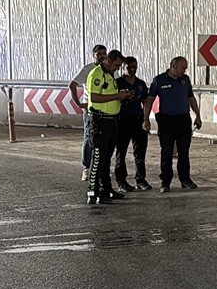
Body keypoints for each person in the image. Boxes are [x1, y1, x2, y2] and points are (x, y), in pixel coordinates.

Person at [142, 56, 202, 193]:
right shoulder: (159, 80)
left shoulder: (185, 80)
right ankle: (165, 181)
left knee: (184, 151)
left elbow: (191, 98)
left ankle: (185, 179)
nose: (184, 71)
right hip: (166, 121)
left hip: (183, 119)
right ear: (173, 67)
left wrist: (197, 116)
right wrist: (146, 119)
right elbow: (149, 100)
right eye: (183, 68)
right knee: (167, 151)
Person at [85, 50, 132, 204]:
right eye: (117, 65)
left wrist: (122, 94)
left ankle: (106, 190)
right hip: (100, 121)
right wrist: (118, 96)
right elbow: (94, 97)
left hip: (112, 121)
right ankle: (92, 192)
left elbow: (109, 94)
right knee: (98, 158)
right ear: (108, 61)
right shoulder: (96, 73)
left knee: (106, 159)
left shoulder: (111, 75)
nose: (117, 69)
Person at [69, 45, 107, 181]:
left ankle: (101, 167)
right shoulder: (88, 69)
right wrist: (79, 103)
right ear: (93, 55)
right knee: (89, 138)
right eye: (99, 54)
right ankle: (86, 168)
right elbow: (72, 85)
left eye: (104, 53)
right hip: (91, 110)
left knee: (104, 140)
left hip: (106, 110)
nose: (102, 56)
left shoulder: (110, 70)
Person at [114, 56, 150, 192]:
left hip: (138, 119)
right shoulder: (117, 83)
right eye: (129, 67)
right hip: (122, 120)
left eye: (134, 66)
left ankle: (140, 179)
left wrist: (146, 119)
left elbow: (146, 101)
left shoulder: (140, 84)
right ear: (123, 68)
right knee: (121, 151)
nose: (132, 69)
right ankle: (121, 180)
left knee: (140, 152)